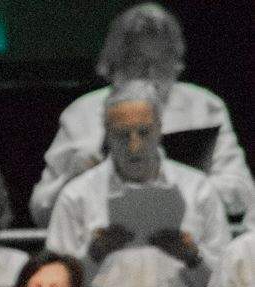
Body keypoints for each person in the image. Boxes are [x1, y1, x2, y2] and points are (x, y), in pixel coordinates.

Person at [29, 4, 254, 224]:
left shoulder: (205, 107)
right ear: (113, 64)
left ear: (177, 63)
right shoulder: (81, 114)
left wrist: (176, 187)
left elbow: (242, 194)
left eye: (161, 62)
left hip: (186, 237)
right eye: (137, 62)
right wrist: (72, 178)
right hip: (104, 240)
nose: (149, 74)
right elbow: (40, 211)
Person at [44, 80, 229, 287]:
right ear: (106, 134)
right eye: (122, 135)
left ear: (160, 129)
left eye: (144, 132)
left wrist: (193, 259)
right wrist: (93, 256)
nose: (134, 146)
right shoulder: (77, 196)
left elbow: (228, 285)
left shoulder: (197, 188)